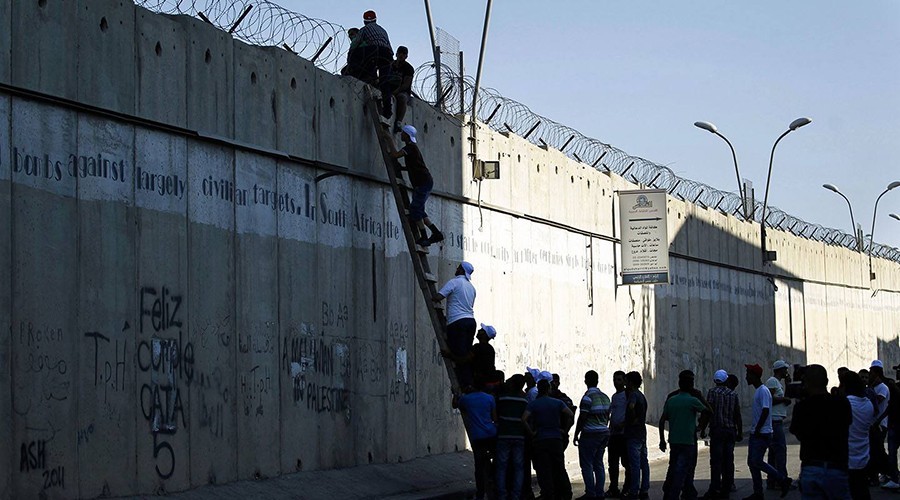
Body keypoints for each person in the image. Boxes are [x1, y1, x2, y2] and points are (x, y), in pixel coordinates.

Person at [789, 364, 852, 499]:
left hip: (812, 466)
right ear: (827, 382)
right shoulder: (842, 403)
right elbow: (846, 426)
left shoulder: (802, 407)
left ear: (806, 383)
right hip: (837, 466)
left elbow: (798, 432)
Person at [743, 363, 792, 499]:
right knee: (752, 463)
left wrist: (758, 429)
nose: (746, 377)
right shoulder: (760, 390)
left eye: (748, 374)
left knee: (756, 461)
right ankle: (758, 492)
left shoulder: (763, 390)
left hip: (762, 433)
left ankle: (782, 479)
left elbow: (765, 410)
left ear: (753, 376)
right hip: (759, 432)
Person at [390, 124, 443, 247]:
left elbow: (395, 155)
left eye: (403, 133)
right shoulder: (412, 149)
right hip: (423, 182)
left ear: (407, 135)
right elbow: (414, 166)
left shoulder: (410, 148)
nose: (401, 135)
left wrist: (388, 139)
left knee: (415, 209)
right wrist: (401, 168)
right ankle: (436, 233)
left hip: (423, 182)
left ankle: (424, 236)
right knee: (419, 210)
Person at [659, 371, 710, 500]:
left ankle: (675, 490)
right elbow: (709, 411)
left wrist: (662, 440)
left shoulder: (672, 397)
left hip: (675, 439)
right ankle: (679, 492)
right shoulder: (694, 398)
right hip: (688, 440)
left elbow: (662, 420)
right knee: (685, 468)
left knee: (674, 466)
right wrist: (701, 427)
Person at [523, 379, 574, 500]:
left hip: (541, 439)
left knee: (544, 469)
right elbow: (570, 414)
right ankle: (565, 493)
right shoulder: (557, 403)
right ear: (549, 389)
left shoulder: (534, 404)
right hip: (556, 439)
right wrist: (564, 430)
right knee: (559, 467)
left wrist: (532, 433)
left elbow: (524, 419)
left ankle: (548, 493)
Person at [700, 370, 742, 499]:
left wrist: (702, 428)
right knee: (728, 460)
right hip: (730, 431)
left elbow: (708, 411)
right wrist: (739, 431)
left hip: (717, 430)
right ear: (726, 380)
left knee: (716, 461)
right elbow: (737, 414)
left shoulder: (712, 393)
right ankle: (727, 488)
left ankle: (715, 488)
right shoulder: (733, 394)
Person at [434, 261, 475, 388]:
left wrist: (433, 297)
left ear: (462, 270)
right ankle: (468, 382)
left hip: (457, 322)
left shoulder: (455, 282)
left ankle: (463, 383)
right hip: (470, 321)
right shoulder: (471, 287)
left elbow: (438, 297)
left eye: (458, 268)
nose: (456, 269)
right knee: (465, 352)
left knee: (457, 353)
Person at [573, 370, 612, 500]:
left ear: (586, 381)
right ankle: (599, 493)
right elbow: (607, 417)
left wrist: (576, 433)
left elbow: (582, 417)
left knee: (587, 464)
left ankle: (590, 493)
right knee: (598, 463)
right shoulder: (606, 397)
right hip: (604, 433)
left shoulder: (587, 398)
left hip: (590, 434)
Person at [456, 381, 498, 500]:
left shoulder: (466, 399)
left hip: (477, 436)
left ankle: (480, 493)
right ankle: (494, 485)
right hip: (490, 433)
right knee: (495, 460)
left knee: (479, 466)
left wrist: (458, 394)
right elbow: (494, 417)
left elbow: (456, 404)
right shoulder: (490, 398)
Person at [842, 370, 876, 499]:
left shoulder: (846, 404)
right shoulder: (868, 404)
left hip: (847, 459)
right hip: (863, 457)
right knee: (861, 491)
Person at [496, 375, 529, 500]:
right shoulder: (524, 401)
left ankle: (502, 495)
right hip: (519, 436)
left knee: (501, 466)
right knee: (518, 467)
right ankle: (516, 495)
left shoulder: (502, 398)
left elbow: (496, 414)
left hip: (504, 435)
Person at [765, 360, 792, 490]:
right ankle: (782, 479)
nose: (786, 371)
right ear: (780, 370)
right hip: (774, 420)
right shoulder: (772, 381)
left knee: (774, 452)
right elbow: (769, 399)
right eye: (785, 369)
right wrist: (782, 399)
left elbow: (786, 400)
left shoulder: (779, 383)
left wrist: (788, 385)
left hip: (777, 419)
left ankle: (773, 479)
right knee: (780, 451)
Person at [623, 371, 650, 500]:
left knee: (634, 464)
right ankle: (644, 489)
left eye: (626, 381)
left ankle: (634, 491)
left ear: (631, 383)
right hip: (641, 432)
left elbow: (632, 407)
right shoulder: (641, 395)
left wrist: (631, 417)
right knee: (644, 463)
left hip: (633, 433)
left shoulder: (633, 395)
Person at [348, 10, 393, 85]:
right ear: (375, 19)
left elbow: (355, 44)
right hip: (387, 54)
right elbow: (389, 45)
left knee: (354, 53)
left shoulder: (364, 29)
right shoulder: (383, 30)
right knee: (384, 80)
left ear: (364, 21)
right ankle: (385, 94)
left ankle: (353, 72)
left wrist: (350, 54)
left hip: (375, 50)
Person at [380, 45, 415, 133]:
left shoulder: (408, 68)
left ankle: (398, 122)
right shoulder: (390, 64)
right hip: (389, 88)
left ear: (406, 56)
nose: (401, 55)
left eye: (403, 54)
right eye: (400, 53)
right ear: (396, 54)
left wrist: (396, 91)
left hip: (402, 91)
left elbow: (406, 84)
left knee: (402, 98)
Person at [607, 370, 630, 498]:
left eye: (619, 379)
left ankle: (627, 488)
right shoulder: (614, 396)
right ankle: (613, 487)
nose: (616, 382)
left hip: (624, 434)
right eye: (615, 379)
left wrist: (624, 424)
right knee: (613, 464)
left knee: (626, 463)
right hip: (613, 435)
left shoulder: (627, 395)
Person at [869, 360, 891, 486]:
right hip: (874, 424)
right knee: (875, 450)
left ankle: (889, 472)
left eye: (871, 372)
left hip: (880, 424)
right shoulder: (872, 387)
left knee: (878, 450)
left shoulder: (882, 387)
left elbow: (878, 401)